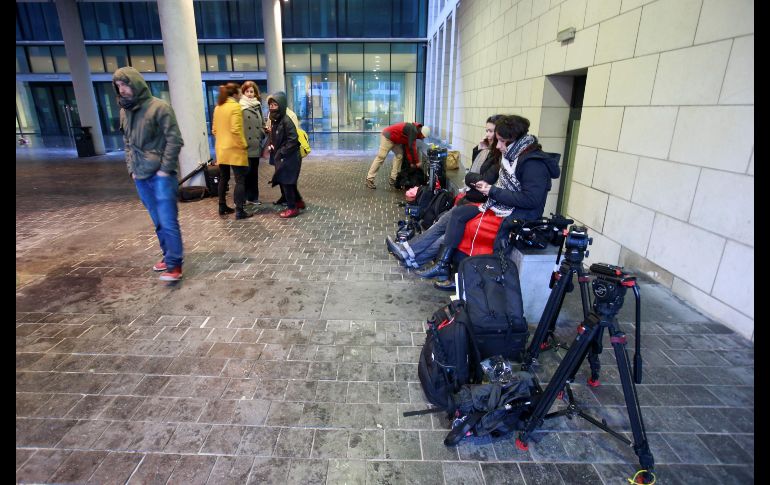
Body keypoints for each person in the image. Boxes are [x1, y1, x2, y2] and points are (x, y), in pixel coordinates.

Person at [414, 114, 561, 282]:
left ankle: (462, 278)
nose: (498, 146)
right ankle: (443, 265)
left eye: (501, 141)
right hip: (501, 204)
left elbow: (531, 200)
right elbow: (478, 176)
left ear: (514, 140)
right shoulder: (513, 155)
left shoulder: (533, 163)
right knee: (459, 213)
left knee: (470, 225)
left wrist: (492, 191)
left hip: (519, 215)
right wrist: (491, 189)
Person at [386, 115, 504, 269]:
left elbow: (481, 178)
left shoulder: (499, 157)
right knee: (441, 224)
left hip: (479, 203)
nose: (487, 134)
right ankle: (409, 253)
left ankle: (411, 255)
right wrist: (480, 151)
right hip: (471, 199)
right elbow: (476, 172)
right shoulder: (491, 152)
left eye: (491, 131)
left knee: (447, 231)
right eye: (486, 130)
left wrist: (470, 177)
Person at [113, 66, 185, 282]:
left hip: (161, 176)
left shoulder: (159, 108)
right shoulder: (124, 111)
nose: (122, 90)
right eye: (118, 86)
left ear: (136, 83)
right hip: (140, 175)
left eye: (125, 84)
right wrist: (131, 169)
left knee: (168, 220)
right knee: (157, 220)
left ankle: (174, 264)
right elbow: (126, 142)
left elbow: (175, 140)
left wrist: (164, 169)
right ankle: (168, 255)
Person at [212, 82, 252, 219]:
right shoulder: (235, 107)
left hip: (221, 148)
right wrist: (243, 144)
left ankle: (222, 206)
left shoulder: (218, 107)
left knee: (224, 177)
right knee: (240, 180)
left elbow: (214, 130)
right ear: (235, 93)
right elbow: (236, 130)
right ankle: (239, 210)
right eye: (239, 92)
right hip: (234, 148)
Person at [266, 91, 303, 218]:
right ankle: (298, 202)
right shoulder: (276, 120)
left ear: (281, 105)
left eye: (274, 104)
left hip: (290, 157)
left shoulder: (286, 120)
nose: (272, 107)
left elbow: (293, 139)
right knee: (288, 181)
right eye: (270, 104)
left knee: (287, 182)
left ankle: (292, 208)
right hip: (283, 156)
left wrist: (282, 152)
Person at [366, 121, 431, 189]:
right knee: (381, 157)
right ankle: (369, 179)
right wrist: (417, 162)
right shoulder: (413, 131)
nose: (422, 138)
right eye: (422, 137)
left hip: (395, 140)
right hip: (387, 137)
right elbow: (412, 147)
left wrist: (412, 162)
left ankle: (393, 178)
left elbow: (408, 148)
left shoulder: (414, 131)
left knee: (399, 156)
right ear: (421, 133)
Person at [239, 80, 266, 206]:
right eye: (247, 91)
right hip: (245, 145)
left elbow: (262, 123)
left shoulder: (258, 105)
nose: (250, 94)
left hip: (256, 143)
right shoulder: (240, 107)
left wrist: (262, 132)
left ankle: (253, 197)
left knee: (254, 173)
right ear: (243, 92)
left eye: (252, 91)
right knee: (246, 173)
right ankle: (242, 198)